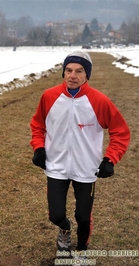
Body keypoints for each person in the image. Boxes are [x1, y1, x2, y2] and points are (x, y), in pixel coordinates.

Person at [30, 51, 130, 255]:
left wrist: (110, 158)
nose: (72, 76)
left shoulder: (99, 101)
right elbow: (37, 125)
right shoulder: (49, 97)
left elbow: (120, 132)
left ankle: (82, 250)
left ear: (87, 75)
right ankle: (65, 229)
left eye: (79, 71)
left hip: (86, 169)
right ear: (63, 72)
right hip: (56, 167)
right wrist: (38, 146)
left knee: (83, 217)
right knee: (55, 215)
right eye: (68, 70)